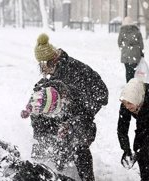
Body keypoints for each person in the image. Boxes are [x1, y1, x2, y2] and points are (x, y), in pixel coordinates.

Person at [21, 33, 109, 181]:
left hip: (85, 108)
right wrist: (31, 106)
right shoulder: (54, 72)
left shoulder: (73, 71)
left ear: (51, 61)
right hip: (65, 108)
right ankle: (47, 168)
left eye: (42, 65)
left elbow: (100, 96)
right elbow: (40, 91)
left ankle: (87, 177)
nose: (41, 70)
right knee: (45, 131)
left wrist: (72, 122)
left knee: (77, 141)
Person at [118, 16, 144, 82]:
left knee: (127, 70)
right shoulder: (137, 30)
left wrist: (123, 48)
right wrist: (141, 51)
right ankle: (133, 83)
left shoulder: (122, 31)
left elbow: (119, 42)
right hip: (135, 53)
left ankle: (128, 83)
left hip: (126, 53)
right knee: (134, 70)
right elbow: (141, 43)